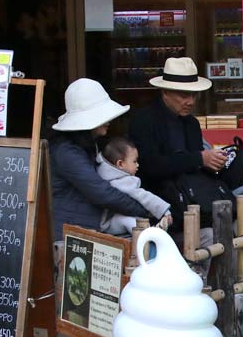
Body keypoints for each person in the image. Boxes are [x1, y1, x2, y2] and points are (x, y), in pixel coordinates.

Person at [128, 57, 220, 277]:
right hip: (155, 210)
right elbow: (150, 166)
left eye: (193, 95)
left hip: (190, 208)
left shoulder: (192, 124)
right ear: (165, 92)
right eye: (183, 95)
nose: (190, 101)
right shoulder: (144, 121)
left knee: (212, 236)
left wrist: (212, 162)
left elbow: (195, 168)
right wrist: (199, 158)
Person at [50, 78, 150, 234]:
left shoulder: (86, 144)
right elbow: (101, 193)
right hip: (70, 235)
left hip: (83, 229)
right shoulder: (67, 151)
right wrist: (146, 210)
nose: (109, 121)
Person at [96, 136, 171, 236]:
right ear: (120, 164)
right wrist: (163, 210)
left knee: (134, 220)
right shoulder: (122, 181)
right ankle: (148, 238)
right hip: (110, 223)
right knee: (130, 221)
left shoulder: (104, 176)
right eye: (134, 161)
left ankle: (149, 234)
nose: (138, 165)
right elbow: (144, 196)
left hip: (106, 222)